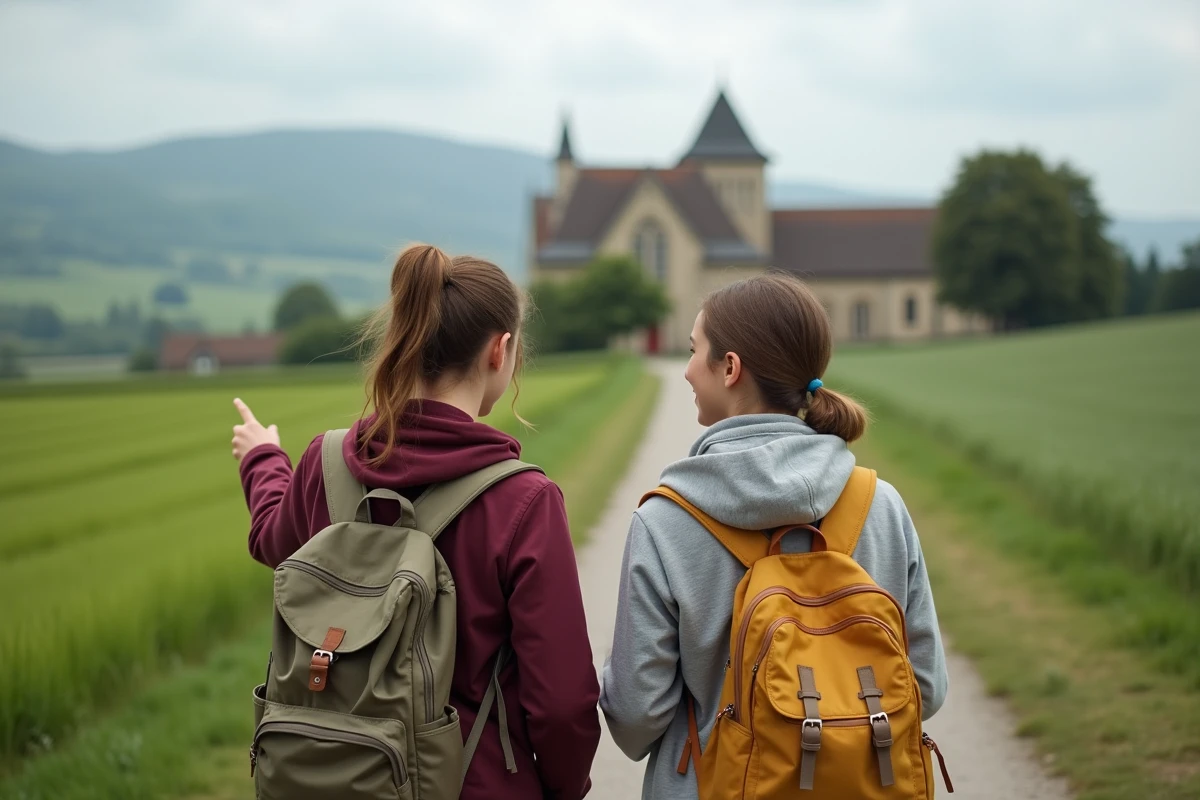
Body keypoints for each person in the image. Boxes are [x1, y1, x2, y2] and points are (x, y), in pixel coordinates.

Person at [231, 244, 601, 800]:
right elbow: (563, 701)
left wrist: (263, 457)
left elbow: (270, 540)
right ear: (500, 351)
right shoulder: (524, 499)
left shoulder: (324, 463)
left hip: (336, 778)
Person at [600, 272, 949, 799]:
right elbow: (925, 686)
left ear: (731, 368)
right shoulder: (881, 505)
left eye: (695, 351)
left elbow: (635, 716)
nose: (689, 369)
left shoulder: (665, 521)